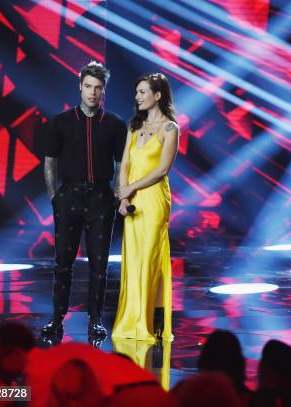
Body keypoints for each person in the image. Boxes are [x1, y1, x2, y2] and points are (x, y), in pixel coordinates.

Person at [42, 61, 127, 341]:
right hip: (70, 196)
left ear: (104, 91)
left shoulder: (115, 124)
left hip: (101, 197)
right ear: (80, 86)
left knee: (99, 265)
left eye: (98, 88)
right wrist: (55, 195)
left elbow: (123, 163)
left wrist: (117, 193)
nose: (92, 92)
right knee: (63, 262)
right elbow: (50, 161)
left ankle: (95, 320)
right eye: (88, 86)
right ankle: (57, 319)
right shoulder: (62, 122)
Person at [111, 72, 179, 342]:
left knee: (151, 259)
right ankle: (132, 321)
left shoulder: (170, 128)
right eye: (137, 92)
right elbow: (124, 164)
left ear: (157, 95)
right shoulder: (134, 126)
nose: (137, 97)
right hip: (133, 200)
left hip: (154, 201)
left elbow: (162, 169)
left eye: (142, 92)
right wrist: (124, 197)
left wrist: (132, 188)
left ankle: (150, 323)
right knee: (134, 259)